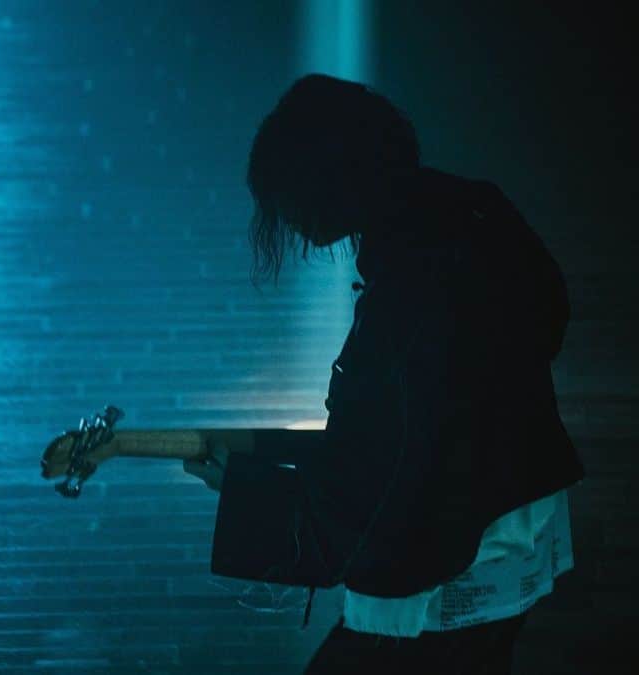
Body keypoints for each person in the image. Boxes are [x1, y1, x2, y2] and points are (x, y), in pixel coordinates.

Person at [182, 74, 585, 674]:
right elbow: (547, 319)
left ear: (326, 181)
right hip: (516, 514)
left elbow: (378, 465)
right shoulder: (473, 211)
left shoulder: (408, 294)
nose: (286, 216)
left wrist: (246, 488)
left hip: (463, 547)